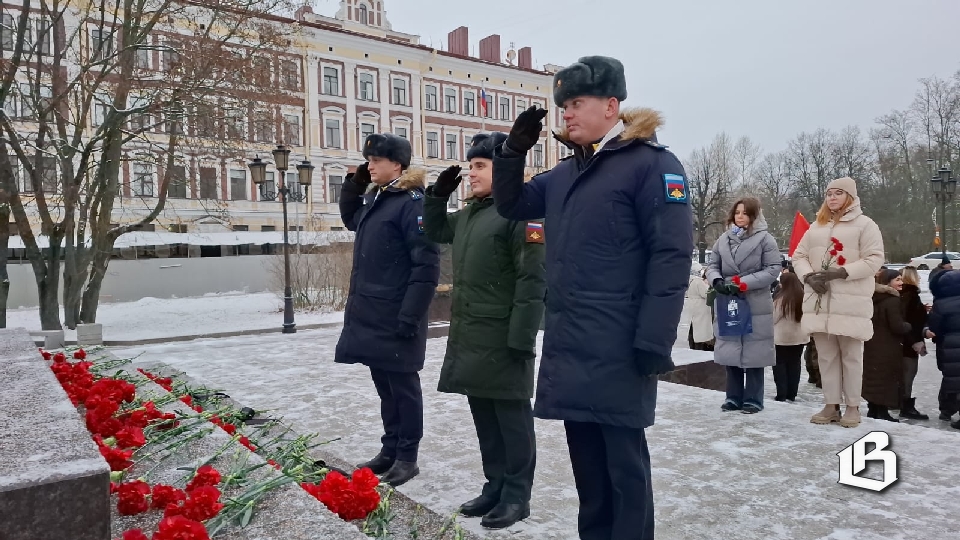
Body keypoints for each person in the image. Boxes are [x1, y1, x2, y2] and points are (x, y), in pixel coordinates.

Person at [492, 55, 693, 540]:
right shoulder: (565, 175)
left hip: (621, 344)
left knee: (624, 468)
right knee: (587, 468)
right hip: (572, 342)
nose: (566, 114)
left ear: (611, 105)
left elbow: (671, 258)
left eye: (575, 104)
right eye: (562, 106)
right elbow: (512, 204)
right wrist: (512, 152)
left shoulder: (653, 165)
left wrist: (653, 340)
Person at [421, 132, 546, 529]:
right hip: (472, 335)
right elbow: (434, 230)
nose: (471, 174)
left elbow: (532, 281)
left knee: (512, 420)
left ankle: (516, 496)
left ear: (503, 170)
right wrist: (437, 196)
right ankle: (494, 486)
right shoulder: (471, 214)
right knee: (484, 418)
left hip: (504, 337)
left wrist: (522, 340)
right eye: (471, 166)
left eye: (480, 166)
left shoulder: (521, 215)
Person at [335, 133, 440, 487]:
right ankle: (390, 449)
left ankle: (408, 457)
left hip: (397, 316)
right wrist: (355, 183)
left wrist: (410, 316)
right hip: (374, 313)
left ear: (397, 164)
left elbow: (426, 265)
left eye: (376, 160)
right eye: (368, 160)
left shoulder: (412, 202)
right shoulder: (379, 198)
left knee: (403, 388)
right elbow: (352, 220)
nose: (370, 165)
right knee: (385, 386)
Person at [792, 177, 884, 428]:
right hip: (819, 301)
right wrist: (808, 276)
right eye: (829, 193)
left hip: (850, 303)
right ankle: (830, 404)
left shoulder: (866, 225)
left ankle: (853, 406)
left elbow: (874, 259)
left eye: (838, 193)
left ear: (850, 197)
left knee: (852, 357)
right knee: (826, 357)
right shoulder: (816, 227)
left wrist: (843, 272)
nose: (832, 198)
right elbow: (798, 256)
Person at [707, 197, 781, 413]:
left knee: (754, 351)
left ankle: (754, 398)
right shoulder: (723, 239)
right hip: (728, 299)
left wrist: (743, 283)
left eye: (745, 213)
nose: (740, 216)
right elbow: (712, 265)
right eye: (737, 212)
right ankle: (733, 396)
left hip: (754, 301)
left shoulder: (765, 239)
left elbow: (773, 268)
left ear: (754, 216)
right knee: (731, 347)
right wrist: (717, 280)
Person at [862, 269, 911, 422]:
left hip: (871, 344)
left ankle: (873, 409)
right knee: (885, 379)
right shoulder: (892, 300)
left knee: (874, 377)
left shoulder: (871, 297)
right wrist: (908, 326)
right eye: (897, 279)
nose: (901, 282)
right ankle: (882, 412)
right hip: (888, 346)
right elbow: (896, 326)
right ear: (888, 282)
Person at [928, 270, 960, 428]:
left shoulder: (941, 304)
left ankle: (946, 410)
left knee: (951, 380)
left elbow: (935, 328)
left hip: (948, 346)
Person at [773, 272, 809, 402]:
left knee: (780, 365)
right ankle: (792, 393)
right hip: (799, 338)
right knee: (795, 364)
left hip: (782, 338)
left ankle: (781, 394)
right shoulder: (804, 297)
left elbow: (773, 319)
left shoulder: (780, 300)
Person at [899, 266, 929, 420]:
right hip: (910, 341)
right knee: (908, 374)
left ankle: (901, 403)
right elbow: (912, 320)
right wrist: (915, 341)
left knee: (904, 374)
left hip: (902, 341)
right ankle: (906, 406)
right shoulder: (911, 296)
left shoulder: (901, 295)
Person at [688, 267, 715, 351]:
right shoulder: (698, 281)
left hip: (695, 307)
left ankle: (695, 344)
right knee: (702, 330)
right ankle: (703, 347)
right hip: (701, 308)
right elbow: (706, 294)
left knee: (695, 328)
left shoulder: (691, 281)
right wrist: (708, 286)